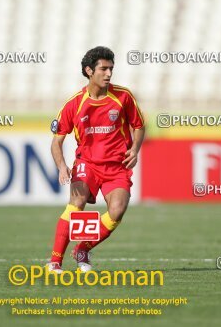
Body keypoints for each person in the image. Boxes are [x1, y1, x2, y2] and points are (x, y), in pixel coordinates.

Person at [46, 46, 145, 273]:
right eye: (104, 69)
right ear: (89, 71)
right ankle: (54, 262)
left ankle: (83, 249)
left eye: (111, 68)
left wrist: (135, 149)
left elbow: (139, 126)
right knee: (76, 205)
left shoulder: (123, 97)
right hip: (87, 164)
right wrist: (62, 167)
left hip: (117, 166)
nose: (109, 74)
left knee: (118, 210)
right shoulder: (74, 104)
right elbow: (56, 142)